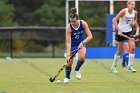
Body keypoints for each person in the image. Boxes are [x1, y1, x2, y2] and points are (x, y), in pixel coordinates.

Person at [64, 7, 93, 83]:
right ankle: (67, 77)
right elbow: (69, 42)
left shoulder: (83, 23)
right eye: (71, 21)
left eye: (74, 21)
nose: (72, 23)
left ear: (78, 19)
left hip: (81, 43)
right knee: (69, 62)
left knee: (82, 57)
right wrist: (68, 55)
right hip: (72, 45)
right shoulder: (68, 27)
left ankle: (77, 70)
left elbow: (90, 36)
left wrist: (82, 43)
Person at [111, 0, 139, 73]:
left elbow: (136, 21)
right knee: (120, 49)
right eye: (132, 4)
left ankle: (129, 67)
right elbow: (114, 20)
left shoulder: (135, 12)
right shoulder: (123, 11)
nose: (133, 6)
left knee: (132, 48)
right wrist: (119, 30)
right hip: (121, 32)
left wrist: (134, 24)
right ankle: (113, 66)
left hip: (129, 32)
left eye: (134, 4)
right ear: (128, 5)